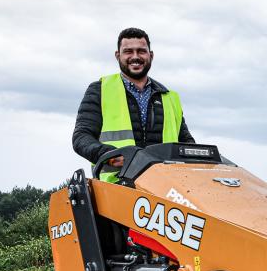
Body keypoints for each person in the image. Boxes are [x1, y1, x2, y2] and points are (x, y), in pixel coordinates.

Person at [72, 27, 195, 175]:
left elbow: (187, 144)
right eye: (128, 51)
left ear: (151, 55)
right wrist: (108, 155)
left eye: (141, 51)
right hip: (117, 185)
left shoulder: (170, 97)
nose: (135, 56)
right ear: (118, 56)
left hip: (164, 185)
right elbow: (81, 137)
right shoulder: (100, 90)